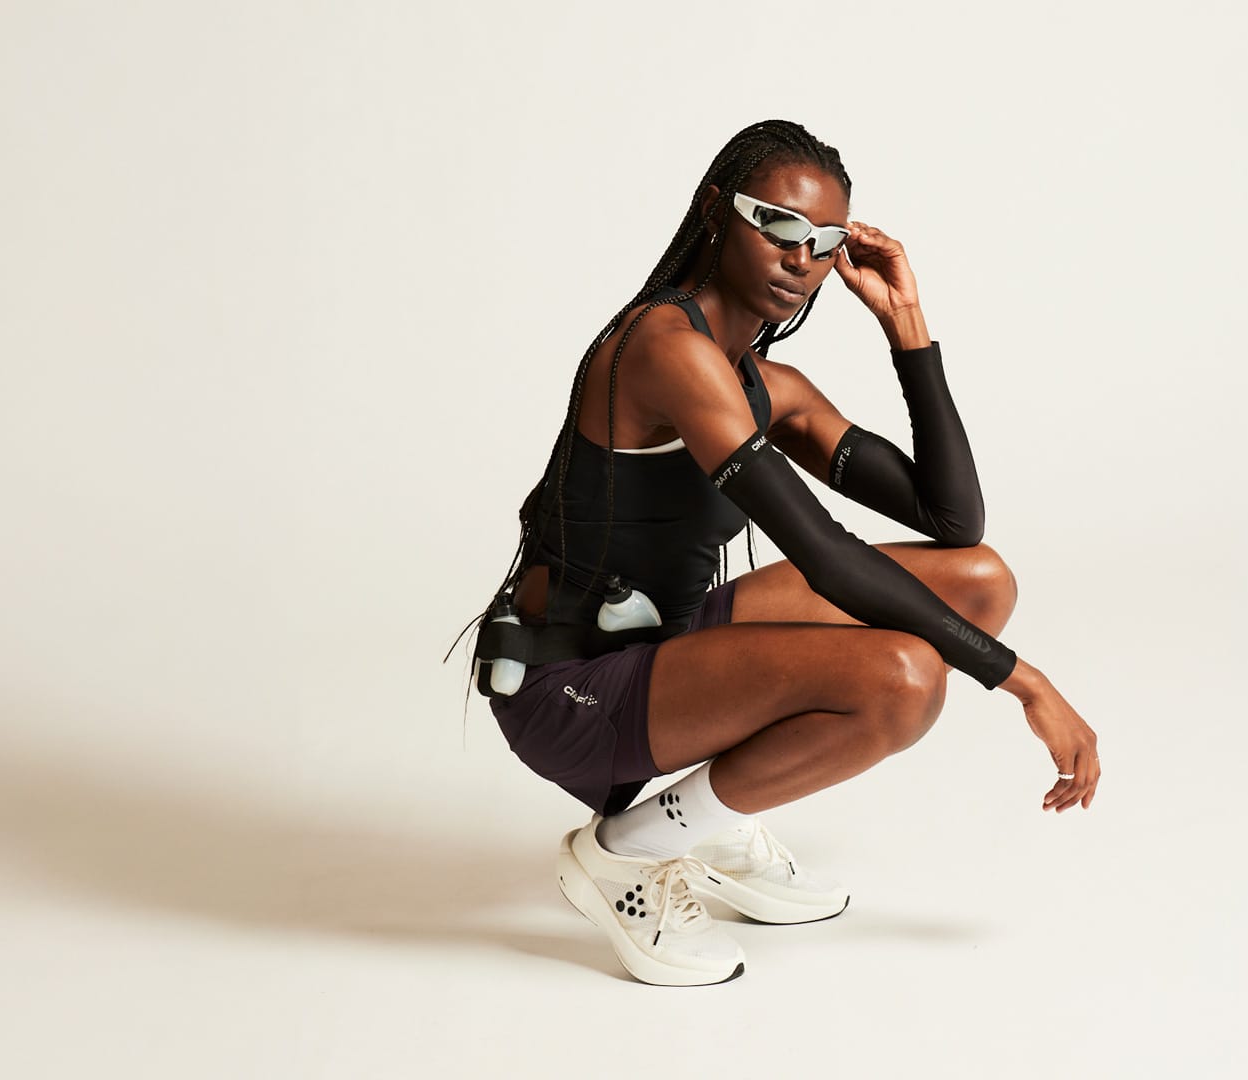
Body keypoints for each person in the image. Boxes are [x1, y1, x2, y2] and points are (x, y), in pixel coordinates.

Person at [454, 120, 1100, 986]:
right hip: (573, 688)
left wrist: (906, 325)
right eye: (780, 226)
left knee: (979, 583)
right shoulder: (665, 351)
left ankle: (708, 819)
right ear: (716, 212)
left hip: (671, 641)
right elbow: (827, 555)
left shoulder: (770, 388)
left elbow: (954, 518)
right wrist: (1026, 683)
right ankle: (627, 851)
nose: (803, 258)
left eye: (825, 242)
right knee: (907, 679)